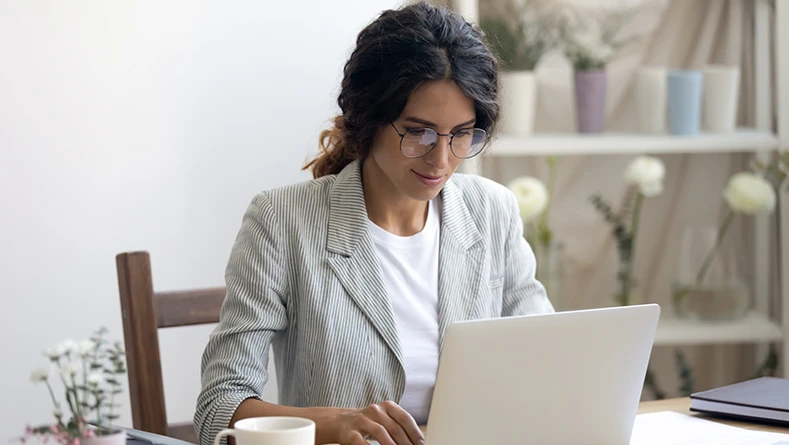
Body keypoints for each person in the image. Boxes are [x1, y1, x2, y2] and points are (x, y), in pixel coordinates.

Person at [194, 2, 553, 445]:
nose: (441, 159)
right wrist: (334, 425)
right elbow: (218, 409)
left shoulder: (493, 211)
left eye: (462, 133)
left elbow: (544, 360)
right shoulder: (282, 222)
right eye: (417, 132)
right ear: (368, 118)